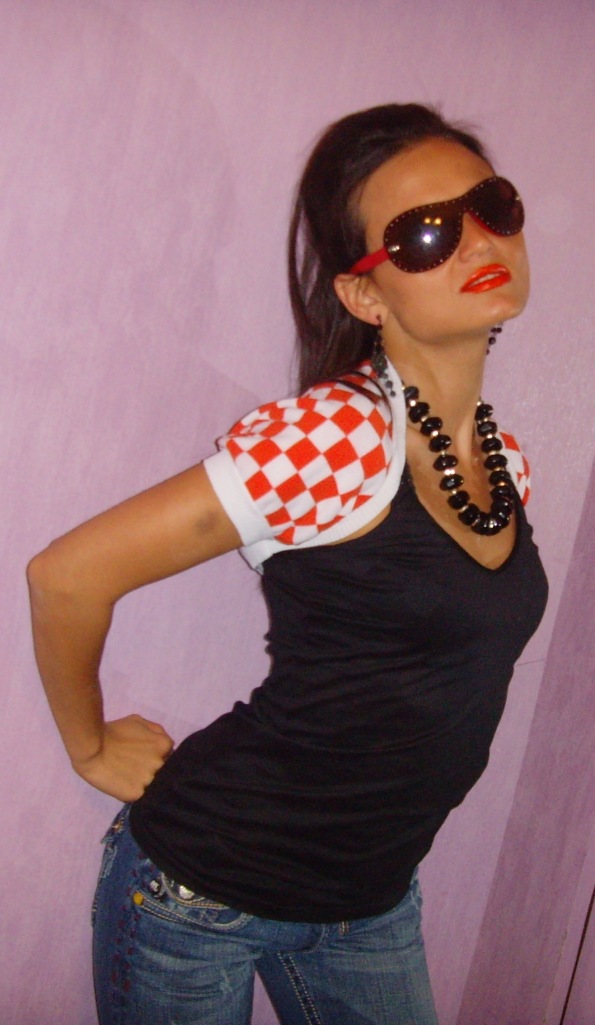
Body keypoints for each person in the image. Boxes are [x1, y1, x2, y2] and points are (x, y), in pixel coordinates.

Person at [27, 103, 548, 1025]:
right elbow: (67, 574)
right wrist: (91, 744)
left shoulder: (503, 463)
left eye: (490, 206)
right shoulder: (334, 437)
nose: (475, 240)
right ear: (365, 295)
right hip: (204, 897)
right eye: (424, 233)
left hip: (371, 900)